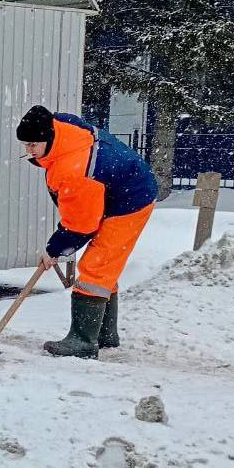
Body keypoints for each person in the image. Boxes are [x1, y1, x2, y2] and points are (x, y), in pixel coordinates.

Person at [17, 105, 158, 359]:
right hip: (116, 187)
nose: (29, 150)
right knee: (104, 265)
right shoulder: (62, 128)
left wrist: (55, 249)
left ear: (48, 138)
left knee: (97, 266)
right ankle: (104, 334)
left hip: (130, 199)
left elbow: (81, 224)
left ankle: (82, 341)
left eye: (33, 145)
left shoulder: (74, 170)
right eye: (26, 144)